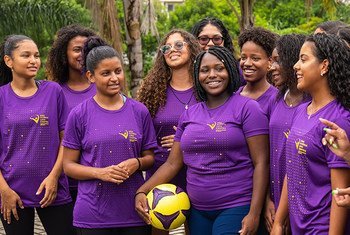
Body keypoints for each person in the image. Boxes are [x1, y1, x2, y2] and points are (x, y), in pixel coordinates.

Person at [135, 46, 269, 235]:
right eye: (205, 70)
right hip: (197, 211)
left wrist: (254, 213)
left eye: (219, 68)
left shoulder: (248, 108)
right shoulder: (190, 114)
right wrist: (142, 191)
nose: (212, 75)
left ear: (230, 70)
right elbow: (173, 163)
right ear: (197, 76)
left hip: (236, 206)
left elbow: (261, 163)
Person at [62, 36, 157, 235]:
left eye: (118, 71)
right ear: (91, 76)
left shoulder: (139, 111)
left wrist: (136, 163)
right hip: (92, 215)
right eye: (105, 73)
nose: (114, 78)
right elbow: (68, 166)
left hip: (134, 212)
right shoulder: (79, 114)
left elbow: (150, 157)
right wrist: (100, 173)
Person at [271, 33, 350, 235]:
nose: (296, 66)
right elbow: (293, 167)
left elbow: (339, 193)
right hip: (298, 226)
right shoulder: (301, 110)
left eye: (303, 59)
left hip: (322, 228)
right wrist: (279, 222)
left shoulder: (337, 120)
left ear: (324, 66)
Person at [0, 35, 74, 234]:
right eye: (26, 55)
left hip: (52, 189)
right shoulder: (1, 97)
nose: (34, 60)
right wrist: (3, 190)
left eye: (37, 55)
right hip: (11, 191)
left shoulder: (53, 91)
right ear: (9, 61)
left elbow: (65, 140)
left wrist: (54, 177)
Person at [137, 29, 200, 235]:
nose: (172, 50)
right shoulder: (152, 91)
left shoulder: (206, 87)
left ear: (192, 48)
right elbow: (143, 134)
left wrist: (186, 139)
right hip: (161, 170)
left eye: (179, 45)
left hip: (197, 171)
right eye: (166, 47)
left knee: (196, 228)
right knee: (159, 230)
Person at [46, 24, 96, 202]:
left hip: (97, 181)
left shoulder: (104, 88)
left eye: (87, 49)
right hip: (63, 184)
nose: (82, 54)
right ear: (63, 55)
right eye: (76, 50)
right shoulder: (52, 92)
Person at [265, 34, 308, 233]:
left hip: (303, 201)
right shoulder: (276, 98)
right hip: (275, 198)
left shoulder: (311, 103)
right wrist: (268, 200)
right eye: (271, 61)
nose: (271, 67)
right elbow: (267, 154)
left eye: (277, 61)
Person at [238, 27, 279, 119]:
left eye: (255, 58)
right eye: (243, 58)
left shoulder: (277, 99)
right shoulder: (233, 97)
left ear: (270, 62)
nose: (247, 63)